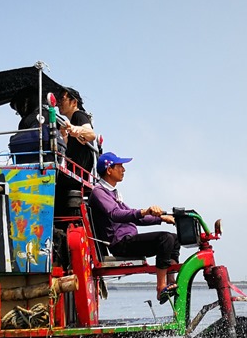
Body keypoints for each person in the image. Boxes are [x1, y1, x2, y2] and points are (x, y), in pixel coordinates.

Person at [88, 152, 180, 303]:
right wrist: (145, 211)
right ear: (109, 170)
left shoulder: (113, 194)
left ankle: (170, 281)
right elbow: (116, 214)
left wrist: (161, 218)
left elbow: (135, 217)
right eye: (120, 166)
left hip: (129, 240)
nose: (123, 169)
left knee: (174, 239)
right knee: (165, 239)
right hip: (121, 244)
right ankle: (160, 288)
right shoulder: (99, 192)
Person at [55, 87, 97, 216]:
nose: (58, 103)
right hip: (78, 173)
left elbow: (91, 134)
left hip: (75, 173)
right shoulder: (71, 121)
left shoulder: (79, 116)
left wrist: (74, 128)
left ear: (74, 102)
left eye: (62, 98)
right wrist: (65, 133)